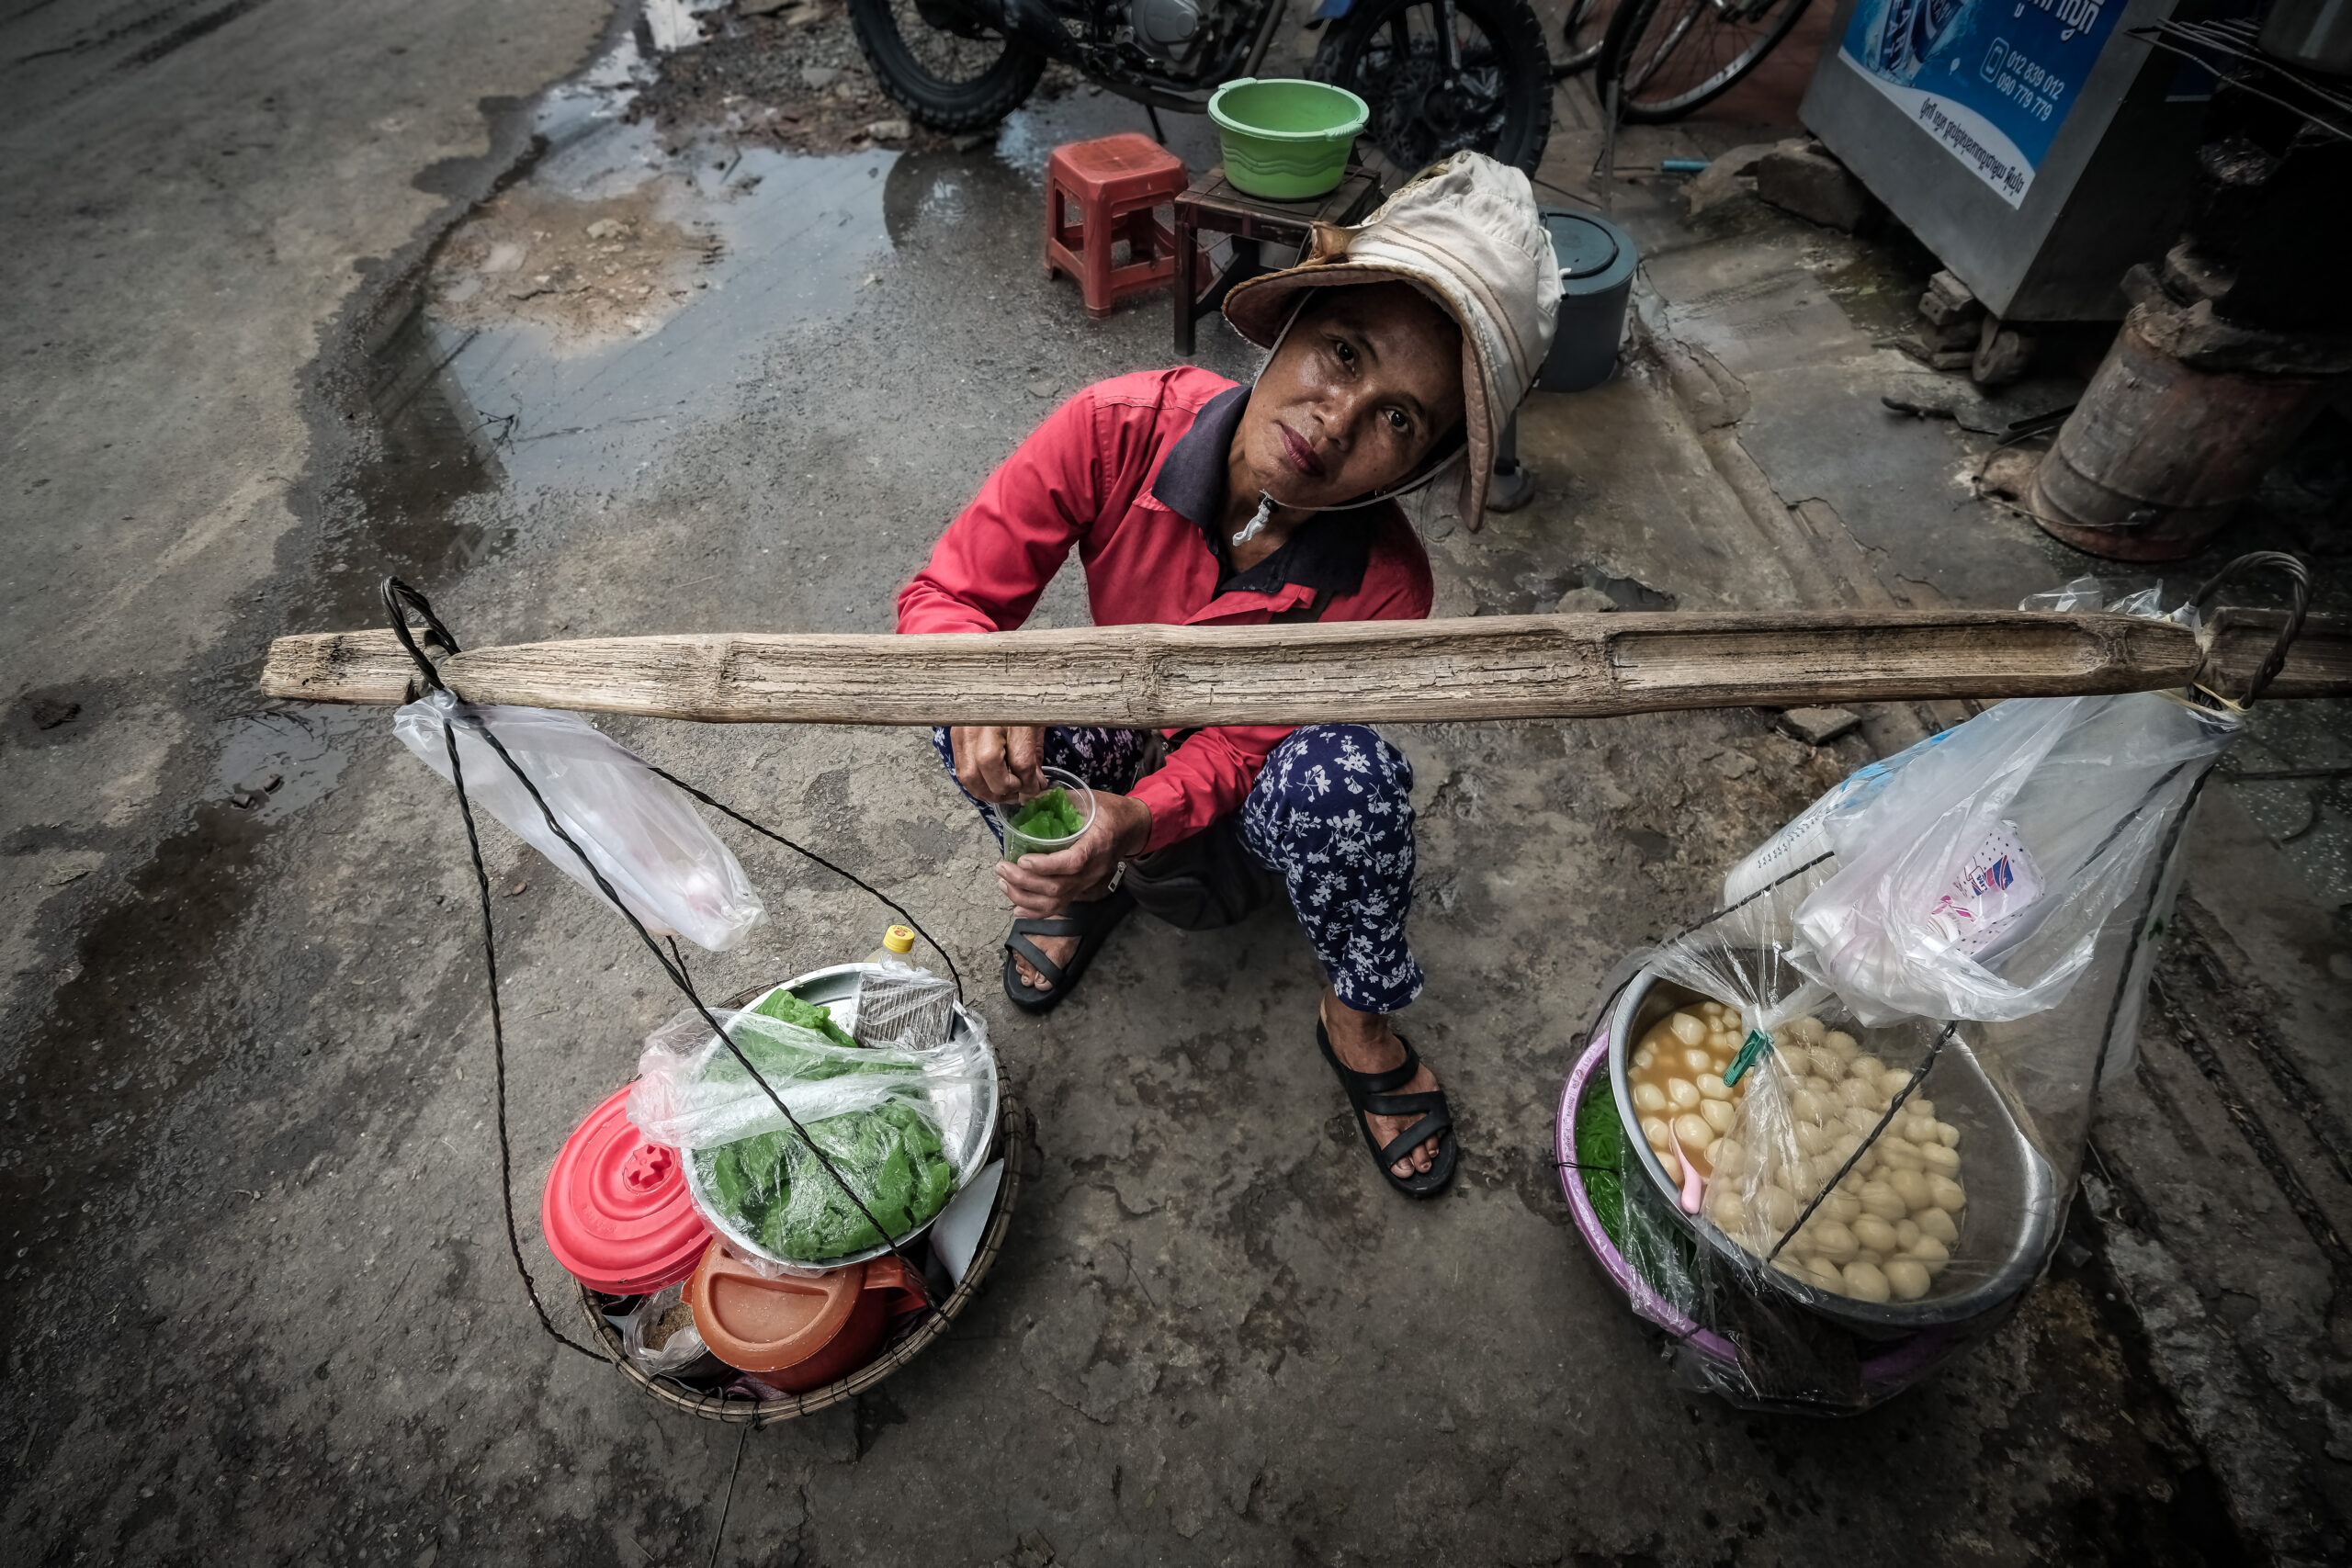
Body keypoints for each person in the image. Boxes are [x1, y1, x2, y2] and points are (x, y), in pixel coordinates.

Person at [897, 152, 1559, 1197]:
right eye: (1342, 353)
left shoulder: (1385, 588)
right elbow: (947, 597)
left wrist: (1141, 814)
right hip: (1113, 738)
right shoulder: (1113, 428)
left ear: (1423, 467)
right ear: (1287, 331)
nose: (1337, 421)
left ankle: (1355, 1019)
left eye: (1398, 419)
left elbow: (1247, 747)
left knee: (1347, 779)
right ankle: (1076, 889)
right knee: (957, 703)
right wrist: (980, 680)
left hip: (1248, 813)